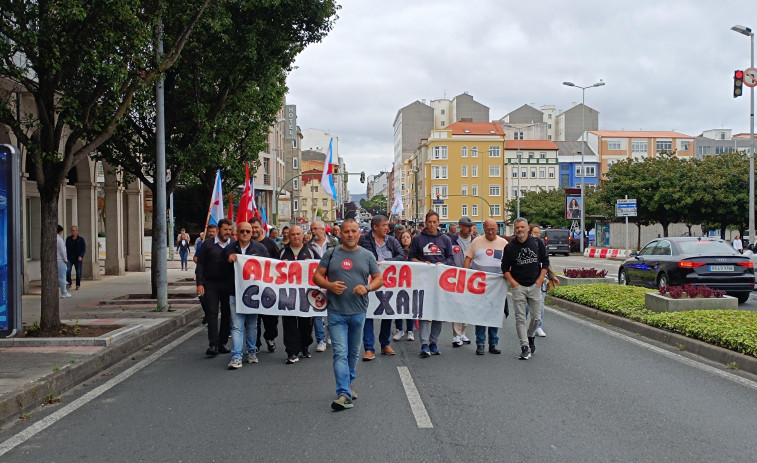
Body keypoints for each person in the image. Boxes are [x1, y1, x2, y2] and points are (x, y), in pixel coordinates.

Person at [313, 218, 383, 411]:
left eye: (353, 231)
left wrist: (367, 287)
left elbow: (379, 279)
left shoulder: (367, 255)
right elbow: (317, 276)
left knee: (353, 353)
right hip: (336, 313)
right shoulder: (331, 253)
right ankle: (343, 393)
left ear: (359, 233)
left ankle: (349, 383)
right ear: (340, 234)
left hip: (359, 312)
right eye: (346, 232)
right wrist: (329, 285)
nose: (350, 235)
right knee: (340, 353)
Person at [501, 217, 550, 360]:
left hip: (535, 285)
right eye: (517, 228)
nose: (520, 230)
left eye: (522, 227)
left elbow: (545, 262)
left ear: (527, 228)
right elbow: (504, 268)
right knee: (520, 319)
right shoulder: (510, 247)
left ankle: (530, 336)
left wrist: (540, 279)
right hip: (519, 287)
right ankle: (524, 347)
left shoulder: (537, 242)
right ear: (514, 230)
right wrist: (513, 283)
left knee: (536, 318)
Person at [359, 214, 405, 360]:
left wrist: (387, 261)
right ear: (375, 227)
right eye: (384, 225)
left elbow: (401, 255)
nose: (387, 228)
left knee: (387, 313)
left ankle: (385, 344)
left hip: (388, 285)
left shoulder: (392, 241)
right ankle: (369, 348)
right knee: (368, 314)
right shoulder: (363, 240)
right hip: (369, 283)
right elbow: (357, 256)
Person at [224, 221, 269, 369]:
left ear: (252, 233)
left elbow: (268, 268)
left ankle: (251, 351)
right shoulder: (229, 248)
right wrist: (228, 260)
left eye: (247, 232)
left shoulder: (260, 248)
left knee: (251, 324)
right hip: (235, 293)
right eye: (242, 231)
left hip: (254, 294)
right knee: (237, 325)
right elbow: (220, 267)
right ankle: (236, 355)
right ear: (237, 233)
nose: (244, 234)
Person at [409, 211, 454, 358]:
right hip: (423, 281)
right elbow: (411, 258)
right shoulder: (418, 239)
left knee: (438, 313)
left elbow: (450, 258)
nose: (432, 224)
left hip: (440, 282)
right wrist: (422, 263)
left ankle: (433, 342)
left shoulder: (445, 239)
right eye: (430, 222)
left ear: (439, 222)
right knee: (423, 312)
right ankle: (424, 344)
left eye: (435, 222)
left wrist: (443, 263)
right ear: (426, 222)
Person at [465, 219, 509, 355]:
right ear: (483, 228)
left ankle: (493, 343)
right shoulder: (476, 241)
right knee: (481, 315)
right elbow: (468, 259)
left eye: (493, 229)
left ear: (497, 229)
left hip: (498, 287)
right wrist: (466, 276)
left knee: (495, 315)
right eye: (488, 229)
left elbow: (511, 261)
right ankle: (480, 343)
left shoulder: (504, 243)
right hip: (480, 287)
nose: (490, 232)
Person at [279, 225, 320, 364]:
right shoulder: (282, 253)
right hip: (288, 295)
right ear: (288, 236)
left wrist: (313, 265)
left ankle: (304, 345)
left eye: (298, 234)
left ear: (303, 235)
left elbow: (322, 268)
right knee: (289, 323)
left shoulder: (311, 252)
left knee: (306, 323)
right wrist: (279, 266)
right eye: (292, 234)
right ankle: (291, 351)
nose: (295, 237)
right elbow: (271, 271)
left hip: (305, 295)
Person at [195, 219, 234, 356]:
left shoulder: (234, 245)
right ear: (218, 230)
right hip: (211, 284)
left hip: (228, 284)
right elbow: (200, 265)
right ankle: (213, 344)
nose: (228, 232)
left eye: (230, 230)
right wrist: (199, 283)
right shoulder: (208, 245)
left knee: (226, 313)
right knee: (211, 312)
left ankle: (222, 342)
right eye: (225, 230)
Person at [250, 217, 280, 353]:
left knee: (270, 319)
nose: (254, 230)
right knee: (253, 318)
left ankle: (270, 337)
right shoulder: (246, 244)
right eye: (252, 228)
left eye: (256, 227)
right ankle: (255, 344)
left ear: (261, 228)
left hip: (268, 288)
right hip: (251, 288)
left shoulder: (270, 244)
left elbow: (279, 264)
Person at [308, 220, 339, 350]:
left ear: (323, 229)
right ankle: (321, 339)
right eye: (312, 229)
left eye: (316, 228)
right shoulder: (308, 245)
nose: (313, 231)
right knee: (317, 311)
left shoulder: (334, 243)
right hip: (315, 281)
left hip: (331, 281)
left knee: (332, 310)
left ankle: (331, 334)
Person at [527, 224, 559, 337]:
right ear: (530, 233)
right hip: (527, 280)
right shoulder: (525, 245)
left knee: (540, 305)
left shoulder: (541, 245)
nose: (538, 235)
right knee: (526, 306)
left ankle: (538, 327)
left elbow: (546, 262)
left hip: (541, 280)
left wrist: (552, 276)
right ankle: (525, 324)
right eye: (535, 232)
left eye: (538, 233)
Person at [450, 216, 475, 347]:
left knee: (467, 306)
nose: (470, 229)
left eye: (471, 226)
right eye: (467, 226)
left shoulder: (475, 241)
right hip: (456, 276)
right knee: (457, 305)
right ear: (460, 227)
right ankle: (456, 334)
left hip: (471, 277)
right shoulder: (452, 240)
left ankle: (463, 331)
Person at [392, 229, 416, 342]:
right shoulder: (396, 252)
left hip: (411, 283)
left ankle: (410, 330)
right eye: (403, 237)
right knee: (398, 306)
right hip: (398, 283)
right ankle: (399, 329)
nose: (405, 239)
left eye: (407, 237)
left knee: (410, 307)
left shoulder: (415, 252)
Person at [65, 225, 86, 291]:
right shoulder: (68, 239)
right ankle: (69, 283)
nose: (73, 232)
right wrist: (66, 258)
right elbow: (66, 249)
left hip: (78, 258)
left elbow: (84, 249)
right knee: (68, 270)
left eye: (74, 230)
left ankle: (77, 284)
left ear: (77, 231)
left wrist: (81, 256)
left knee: (78, 272)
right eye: (72, 230)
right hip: (70, 258)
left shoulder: (81, 239)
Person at [57, 225, 72, 298]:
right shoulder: (60, 240)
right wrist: (65, 260)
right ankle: (64, 292)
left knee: (59, 277)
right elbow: (63, 251)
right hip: (60, 260)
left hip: (54, 260)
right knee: (62, 277)